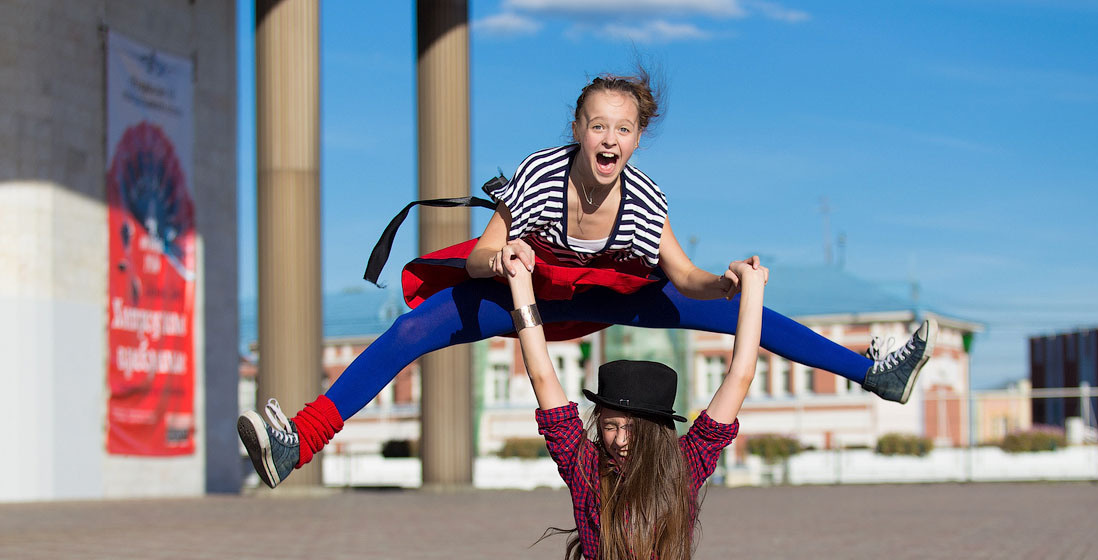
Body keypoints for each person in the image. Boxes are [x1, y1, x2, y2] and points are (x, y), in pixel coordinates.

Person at [242, 258, 1042, 560]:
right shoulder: (586, 474)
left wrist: (751, 296)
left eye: (627, 423)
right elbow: (546, 373)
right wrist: (523, 299)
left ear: (656, 427)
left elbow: (738, 372)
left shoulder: (688, 466)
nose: (613, 433)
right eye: (607, 420)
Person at [237, 68, 937, 489]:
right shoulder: (540, 175)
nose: (609, 139)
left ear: (635, 139)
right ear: (578, 127)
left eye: (623, 129)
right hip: (530, 287)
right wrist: (507, 259)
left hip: (613, 294)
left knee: (749, 312)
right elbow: (482, 256)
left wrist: (723, 286)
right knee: (412, 329)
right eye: (598, 125)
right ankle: (300, 439)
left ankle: (872, 373)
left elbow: (685, 277)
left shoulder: (647, 200)